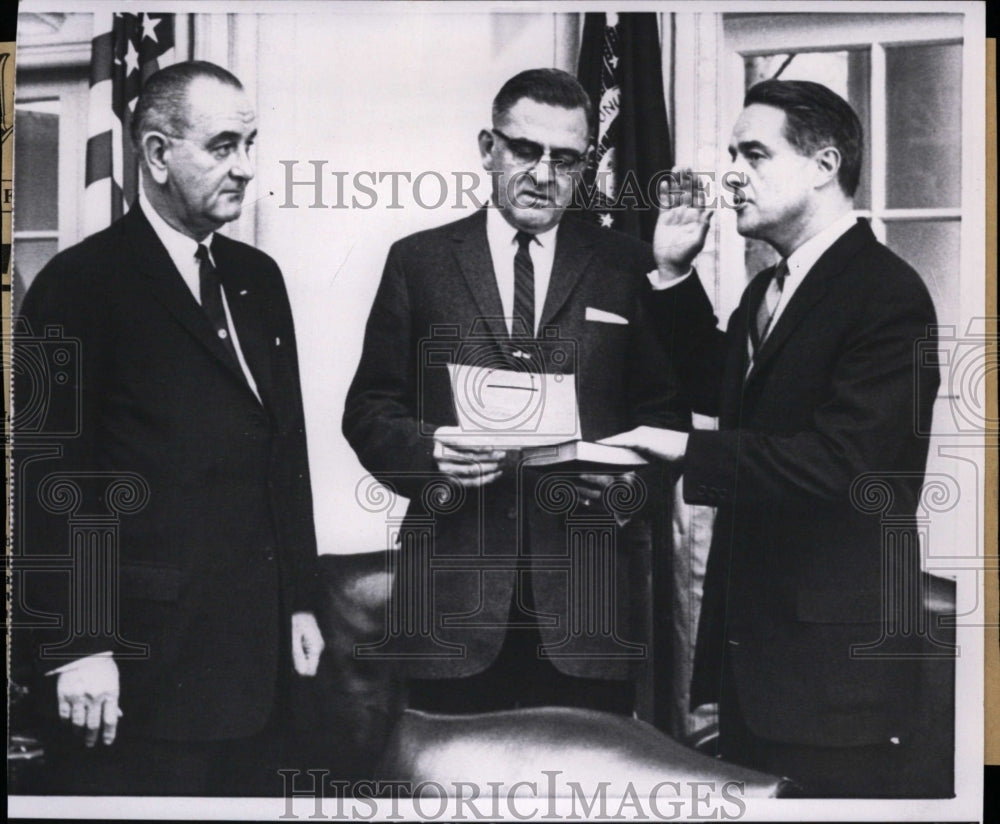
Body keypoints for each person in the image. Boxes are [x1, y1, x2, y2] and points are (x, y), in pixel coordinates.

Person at [603, 79, 940, 796]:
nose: (730, 172)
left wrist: (687, 452)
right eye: (731, 152)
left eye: (753, 153)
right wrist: (670, 272)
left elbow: (847, 469)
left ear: (823, 166)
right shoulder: (769, 290)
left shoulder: (888, 296)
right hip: (763, 667)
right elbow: (717, 390)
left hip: (836, 682)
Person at [15, 60, 324, 796]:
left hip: (262, 664)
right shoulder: (78, 285)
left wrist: (304, 598)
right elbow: (50, 480)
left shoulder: (259, 279)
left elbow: (288, 452)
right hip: (138, 671)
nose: (246, 169)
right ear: (156, 153)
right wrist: (78, 647)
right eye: (223, 147)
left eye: (251, 144)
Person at [342, 68, 683, 716]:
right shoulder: (419, 261)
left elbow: (665, 418)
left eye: (565, 158)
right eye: (525, 149)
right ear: (487, 148)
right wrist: (431, 452)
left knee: (585, 805)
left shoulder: (629, 266)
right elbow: (368, 411)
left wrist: (623, 491)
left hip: (588, 614)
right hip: (450, 611)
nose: (543, 173)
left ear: (586, 165)